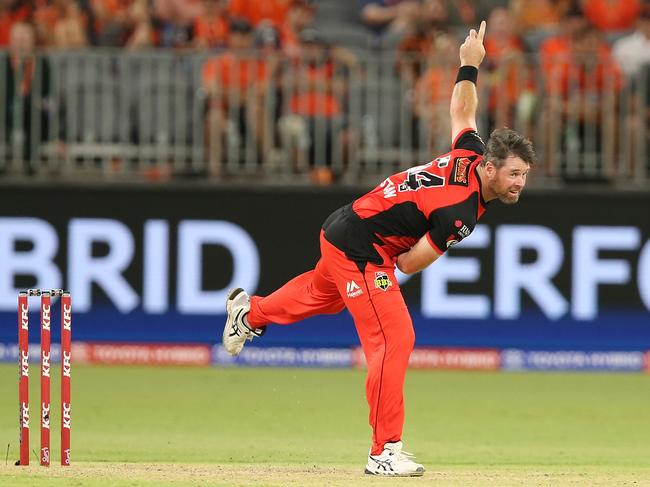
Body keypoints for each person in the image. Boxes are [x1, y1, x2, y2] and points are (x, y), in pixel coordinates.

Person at [222, 21, 536, 477]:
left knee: (318, 294)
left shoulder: (470, 153)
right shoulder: (459, 214)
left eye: (524, 176)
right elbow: (409, 262)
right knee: (394, 337)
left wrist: (469, 65)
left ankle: (248, 315)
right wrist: (385, 272)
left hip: (346, 228)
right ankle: (383, 451)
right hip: (362, 247)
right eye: (513, 175)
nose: (519, 184)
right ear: (489, 169)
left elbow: (463, 111)